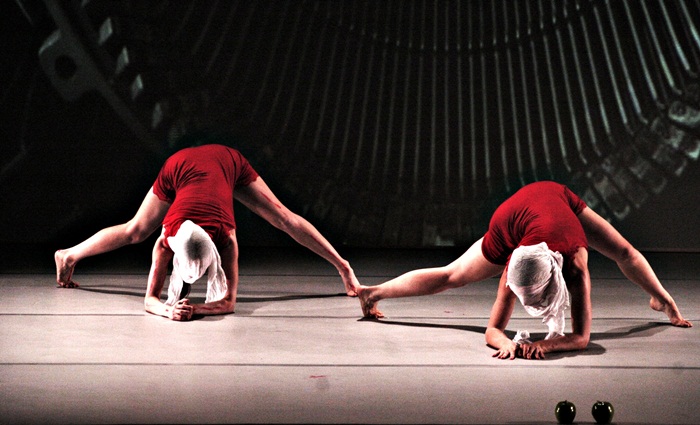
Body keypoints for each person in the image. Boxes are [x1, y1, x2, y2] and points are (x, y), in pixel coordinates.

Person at [358, 181, 692, 360]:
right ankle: (373, 293)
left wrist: (547, 345)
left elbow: (581, 337)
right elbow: (492, 330)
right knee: (451, 275)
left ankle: (664, 301)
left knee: (624, 251)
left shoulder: (576, 263)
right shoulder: (515, 264)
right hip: (511, 218)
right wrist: (503, 342)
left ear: (555, 276)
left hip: (555, 196)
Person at [54, 144, 360, 321]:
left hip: (226, 161)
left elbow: (229, 303)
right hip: (179, 167)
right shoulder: (166, 239)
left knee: (283, 217)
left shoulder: (227, 238)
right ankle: (68, 255)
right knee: (136, 230)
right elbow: (150, 300)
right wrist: (168, 311)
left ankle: (343, 265)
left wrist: (193, 309)